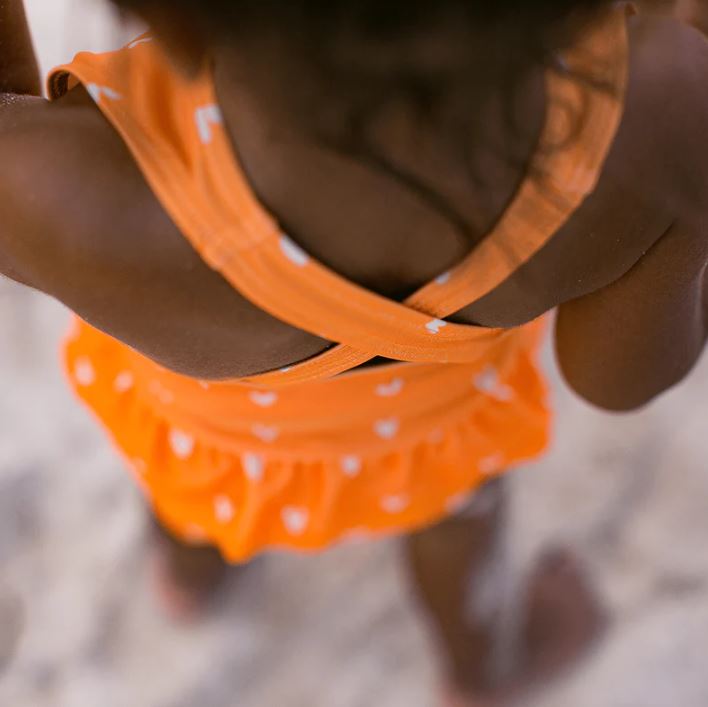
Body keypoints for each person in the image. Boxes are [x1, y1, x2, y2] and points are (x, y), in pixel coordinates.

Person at [2, 0, 708, 703]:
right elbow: (617, 379)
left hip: (211, 442)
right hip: (431, 437)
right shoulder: (651, 113)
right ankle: (480, 670)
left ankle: (190, 578)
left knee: (187, 492)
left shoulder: (77, 192)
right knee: (457, 528)